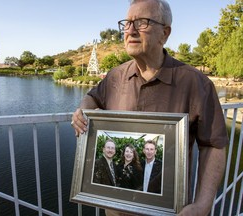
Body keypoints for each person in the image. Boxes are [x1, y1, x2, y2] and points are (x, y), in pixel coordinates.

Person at [71, 0, 228, 215]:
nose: (131, 30)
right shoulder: (116, 76)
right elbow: (92, 98)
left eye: (142, 22)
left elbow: (213, 145)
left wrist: (203, 205)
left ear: (165, 33)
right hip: (116, 210)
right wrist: (81, 110)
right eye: (127, 23)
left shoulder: (196, 84)